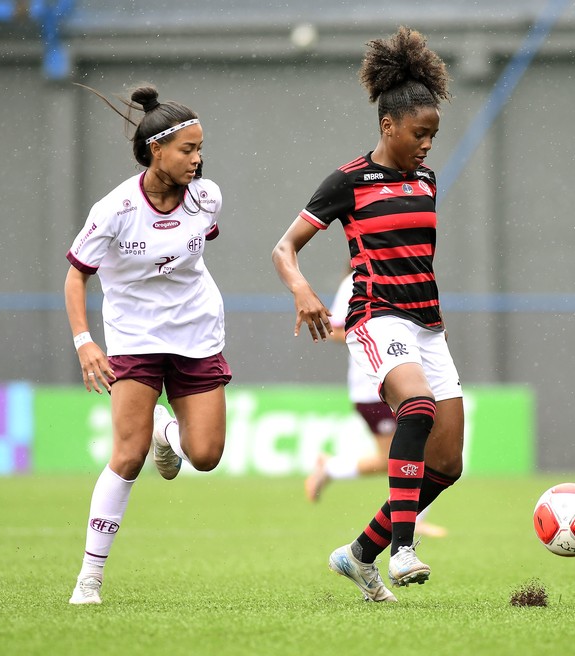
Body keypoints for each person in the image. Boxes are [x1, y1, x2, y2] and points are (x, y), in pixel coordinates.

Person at [272, 27, 463, 603]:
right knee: (418, 407)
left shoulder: (426, 181)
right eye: (419, 133)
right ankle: (403, 548)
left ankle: (358, 555)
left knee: (448, 464)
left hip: (428, 322)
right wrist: (304, 291)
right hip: (376, 317)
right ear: (388, 126)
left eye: (433, 134)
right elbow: (284, 248)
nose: (427, 144)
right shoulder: (349, 181)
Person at [64, 84, 230, 605]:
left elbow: (191, 256)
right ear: (155, 149)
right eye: (188, 149)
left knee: (205, 455)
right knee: (129, 455)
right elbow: (75, 278)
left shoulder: (207, 196)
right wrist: (85, 341)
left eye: (201, 149)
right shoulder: (114, 209)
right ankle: (89, 579)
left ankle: (167, 428)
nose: (197, 160)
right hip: (134, 336)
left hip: (198, 331)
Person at [306, 271, 448, 539]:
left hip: (409, 383)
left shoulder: (410, 274)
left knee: (430, 453)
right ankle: (333, 468)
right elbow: (334, 330)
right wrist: (377, 332)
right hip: (374, 387)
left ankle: (412, 517)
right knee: (400, 458)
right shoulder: (354, 281)